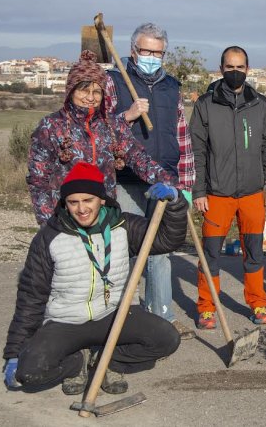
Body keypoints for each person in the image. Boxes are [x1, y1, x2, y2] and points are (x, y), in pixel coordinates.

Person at [2, 163, 185, 394]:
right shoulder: (49, 237)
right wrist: (14, 354)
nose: (81, 209)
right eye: (73, 202)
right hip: (65, 322)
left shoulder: (123, 226)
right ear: (65, 204)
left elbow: (168, 240)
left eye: (88, 200)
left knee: (166, 339)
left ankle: (107, 361)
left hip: (114, 314)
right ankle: (76, 364)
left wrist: (176, 204)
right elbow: (31, 297)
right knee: (29, 373)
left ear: (101, 200)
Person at [104, 22, 196, 340]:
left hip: (164, 177)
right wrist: (126, 116)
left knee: (160, 251)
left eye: (158, 53)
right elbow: (98, 130)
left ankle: (162, 318)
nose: (152, 57)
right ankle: (121, 317)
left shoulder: (171, 86)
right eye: (146, 51)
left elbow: (181, 136)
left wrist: (184, 183)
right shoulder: (114, 82)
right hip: (127, 178)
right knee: (125, 249)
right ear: (133, 51)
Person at [27, 50, 176, 226]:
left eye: (97, 92)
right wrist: (48, 223)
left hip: (104, 215)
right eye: (84, 90)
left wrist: (170, 184)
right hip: (66, 217)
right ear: (71, 91)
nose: (90, 97)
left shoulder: (112, 126)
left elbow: (139, 158)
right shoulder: (51, 126)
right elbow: (38, 179)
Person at [191, 46, 266, 329]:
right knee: (211, 253)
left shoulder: (260, 104)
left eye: (239, 67)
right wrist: (199, 191)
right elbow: (197, 152)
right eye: (229, 67)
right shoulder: (206, 105)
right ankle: (207, 307)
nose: (234, 72)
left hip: (253, 193)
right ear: (221, 69)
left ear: (248, 69)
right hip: (217, 195)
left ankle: (258, 303)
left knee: (254, 252)